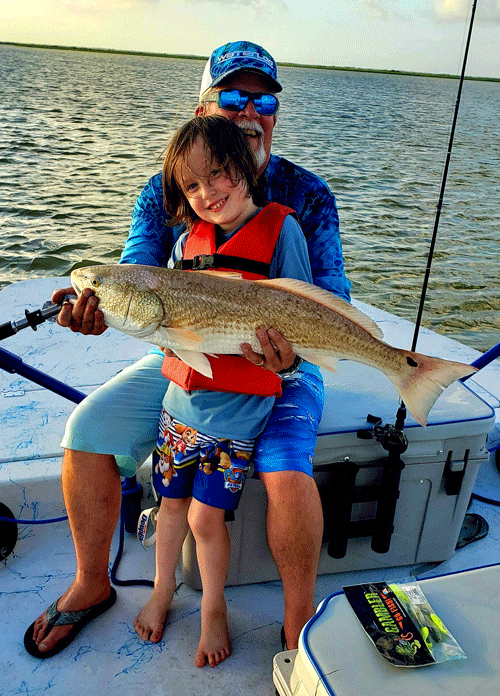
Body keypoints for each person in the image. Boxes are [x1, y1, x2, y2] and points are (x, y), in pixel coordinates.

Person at [24, 41, 351, 659]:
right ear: (204, 106)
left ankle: (300, 627)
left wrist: (292, 358)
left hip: (280, 361)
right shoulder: (169, 188)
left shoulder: (306, 196)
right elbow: (137, 276)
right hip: (186, 350)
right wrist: (98, 312)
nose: (249, 110)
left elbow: (330, 297)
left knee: (285, 473)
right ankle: (93, 585)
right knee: (86, 428)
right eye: (232, 97)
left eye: (263, 99)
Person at [134, 115, 318, 667]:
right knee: (169, 509)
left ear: (245, 168)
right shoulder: (187, 242)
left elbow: (306, 312)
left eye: (217, 175)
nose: (207, 192)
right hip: (179, 409)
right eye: (191, 186)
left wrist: (293, 356)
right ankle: (163, 588)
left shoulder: (282, 230)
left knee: (203, 520)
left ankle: (213, 605)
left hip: (236, 420)